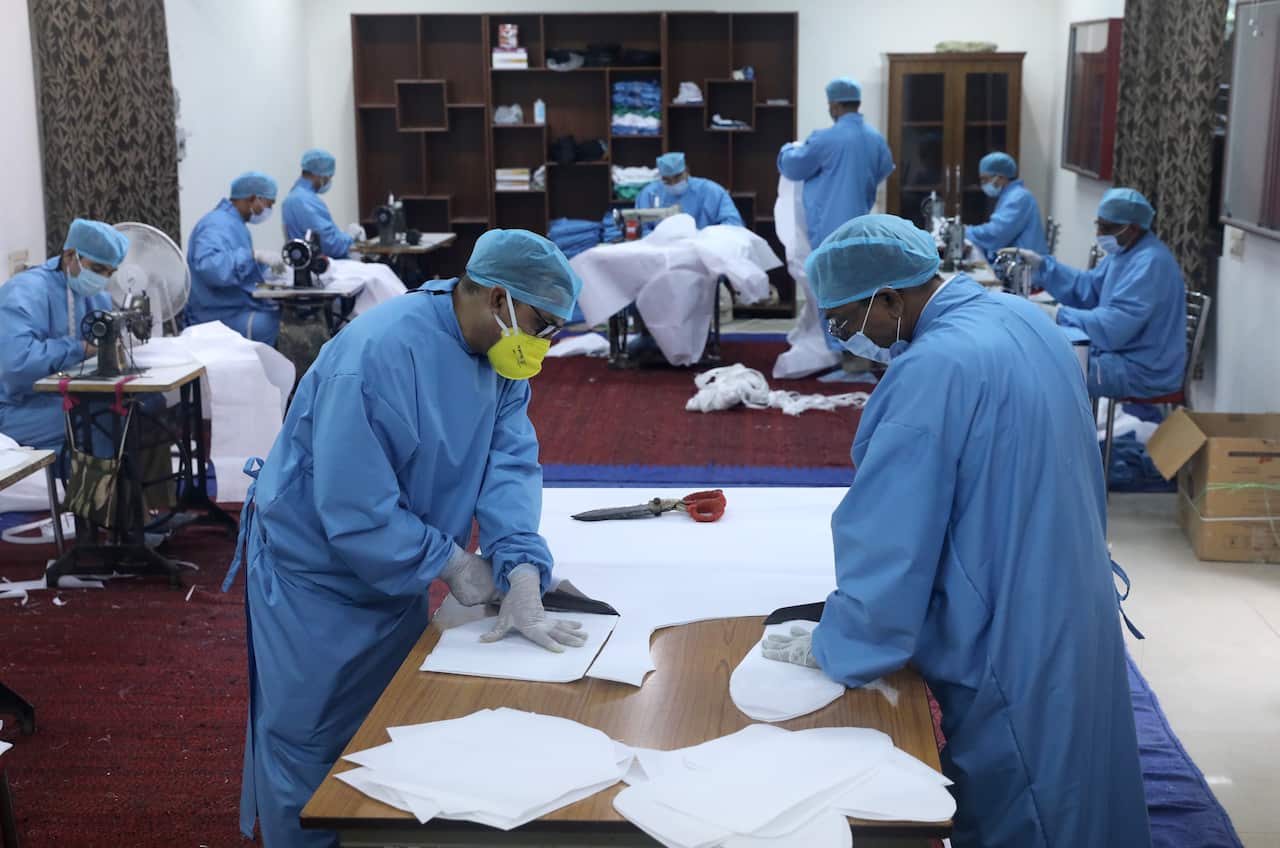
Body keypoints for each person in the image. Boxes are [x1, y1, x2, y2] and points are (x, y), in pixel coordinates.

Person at [762, 215, 1151, 848]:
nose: (844, 339)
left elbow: (891, 538)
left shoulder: (931, 370)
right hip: (1073, 586)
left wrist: (844, 642)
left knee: (1027, 792)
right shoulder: (1025, 319)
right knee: (1086, 771)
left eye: (844, 322)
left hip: (1009, 626)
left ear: (889, 298)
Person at [222, 228, 586, 848]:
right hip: (316, 573)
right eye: (541, 323)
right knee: (309, 739)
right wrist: (453, 564)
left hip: (397, 565)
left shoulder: (501, 359)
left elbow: (510, 465)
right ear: (499, 299)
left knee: (386, 724)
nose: (543, 342)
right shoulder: (376, 356)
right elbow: (354, 509)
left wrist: (520, 564)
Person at [1006, 187, 1186, 399]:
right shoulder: (1124, 252)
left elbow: (1112, 329)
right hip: (1117, 355)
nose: (1100, 234)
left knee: (1044, 370)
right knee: (1040, 355)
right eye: (1098, 225)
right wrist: (1044, 266)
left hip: (1141, 369)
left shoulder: (1151, 263)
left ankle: (1063, 432)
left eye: (1107, 227)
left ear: (1134, 228)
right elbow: (1088, 288)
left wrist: (1056, 315)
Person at [777, 77, 895, 362]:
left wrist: (785, 150)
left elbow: (794, 166)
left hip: (830, 231)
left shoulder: (826, 139)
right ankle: (864, 354)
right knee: (861, 293)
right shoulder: (875, 139)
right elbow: (883, 171)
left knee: (833, 294)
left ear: (835, 105)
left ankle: (848, 359)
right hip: (863, 229)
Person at [0, 219, 128, 451]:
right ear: (70, 255)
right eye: (98, 269)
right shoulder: (25, 291)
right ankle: (93, 488)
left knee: (142, 408)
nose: (103, 278)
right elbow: (16, 365)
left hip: (63, 398)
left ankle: (144, 488)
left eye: (110, 272)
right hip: (17, 407)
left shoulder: (95, 295)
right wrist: (79, 349)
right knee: (101, 421)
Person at [186, 171, 283, 345]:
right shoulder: (216, 224)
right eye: (268, 205)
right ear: (253, 198)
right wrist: (253, 255)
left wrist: (268, 272)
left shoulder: (233, 223)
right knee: (275, 325)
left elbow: (238, 266)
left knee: (282, 311)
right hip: (214, 315)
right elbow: (211, 268)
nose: (267, 211)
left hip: (230, 306)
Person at [966, 152, 1048, 263]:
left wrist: (965, 231)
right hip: (1014, 262)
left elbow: (996, 234)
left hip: (1024, 269)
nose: (983, 184)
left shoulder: (1018, 198)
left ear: (1000, 177)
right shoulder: (1009, 195)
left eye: (985, 179)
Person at [634, 152, 743, 229]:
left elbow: (733, 224)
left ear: (687, 171)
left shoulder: (711, 191)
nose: (673, 184)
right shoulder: (650, 194)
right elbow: (639, 227)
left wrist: (706, 237)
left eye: (677, 177)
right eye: (666, 180)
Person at [282, 148, 357, 259]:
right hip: (321, 266)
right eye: (329, 177)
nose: (328, 181)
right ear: (319, 175)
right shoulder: (304, 201)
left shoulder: (297, 196)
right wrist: (350, 238)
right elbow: (329, 245)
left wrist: (342, 236)